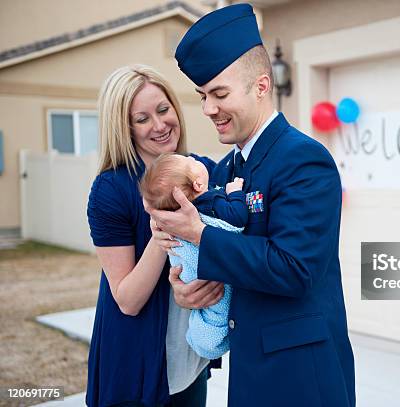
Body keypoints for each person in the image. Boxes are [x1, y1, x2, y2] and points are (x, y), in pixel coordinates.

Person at [147, 4, 356, 407]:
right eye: (203, 96)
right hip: (248, 371)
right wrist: (189, 289)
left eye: (220, 94)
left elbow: (295, 269)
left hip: (301, 377)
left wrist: (199, 234)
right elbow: (223, 263)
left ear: (261, 86)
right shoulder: (224, 168)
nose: (208, 109)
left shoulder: (303, 159)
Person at [86, 65, 222, 407]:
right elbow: (127, 301)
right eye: (142, 118)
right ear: (125, 127)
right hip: (137, 364)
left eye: (163, 110)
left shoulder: (202, 170)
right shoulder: (111, 190)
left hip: (190, 360)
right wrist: (162, 234)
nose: (160, 125)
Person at [139, 153, 248, 359]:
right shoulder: (209, 202)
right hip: (209, 286)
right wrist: (235, 193)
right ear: (198, 184)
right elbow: (236, 218)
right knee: (216, 312)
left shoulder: (178, 215)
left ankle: (204, 335)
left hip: (195, 281)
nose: (196, 159)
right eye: (193, 162)